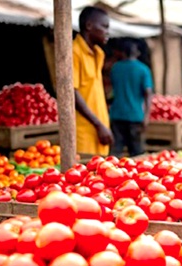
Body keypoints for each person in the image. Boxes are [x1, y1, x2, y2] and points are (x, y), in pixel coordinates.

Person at [73, 7, 113, 155]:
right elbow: (72, 93)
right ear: (89, 26)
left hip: (100, 130)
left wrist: (103, 125)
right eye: (104, 26)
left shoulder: (99, 54)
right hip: (85, 131)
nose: (108, 32)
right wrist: (98, 125)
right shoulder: (73, 52)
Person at [109, 38, 153, 157]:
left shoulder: (115, 68)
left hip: (117, 114)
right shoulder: (143, 69)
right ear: (137, 53)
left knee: (116, 152)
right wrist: (147, 116)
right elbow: (148, 93)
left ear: (123, 52)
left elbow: (112, 90)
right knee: (137, 153)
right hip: (135, 116)